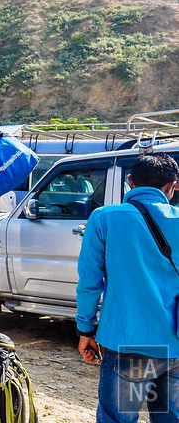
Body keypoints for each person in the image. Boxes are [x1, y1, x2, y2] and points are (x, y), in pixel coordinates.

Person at [76, 153, 179, 423]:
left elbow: (89, 281)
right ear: (173, 186)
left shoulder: (105, 218)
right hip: (177, 347)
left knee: (117, 419)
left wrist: (86, 329)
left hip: (130, 346)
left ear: (130, 181)